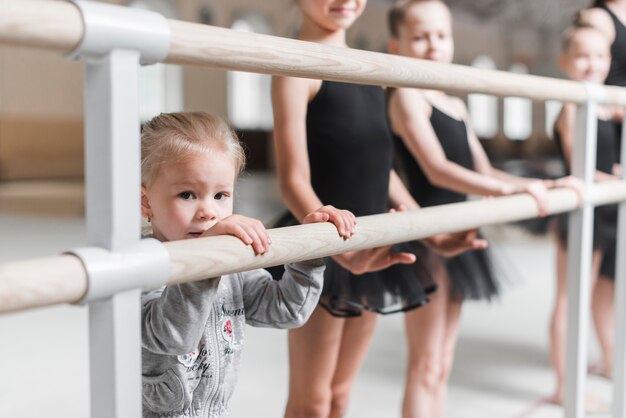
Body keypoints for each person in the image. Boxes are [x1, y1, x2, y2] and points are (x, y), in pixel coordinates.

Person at [271, 1, 487, 416]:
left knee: (340, 393)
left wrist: (429, 231)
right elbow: (292, 179)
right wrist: (336, 246)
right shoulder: (295, 65)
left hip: (368, 243)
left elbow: (381, 169)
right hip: (324, 244)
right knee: (312, 400)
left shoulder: (372, 67)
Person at [386, 1, 582, 417]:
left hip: (461, 228)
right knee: (424, 363)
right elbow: (438, 170)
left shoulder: (453, 104)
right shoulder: (405, 97)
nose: (433, 45)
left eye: (441, 35)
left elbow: (481, 167)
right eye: (420, 36)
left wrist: (536, 184)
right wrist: (498, 191)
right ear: (396, 44)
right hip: (428, 233)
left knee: (442, 363)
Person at [138, 111, 345, 417]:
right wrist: (207, 259)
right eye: (187, 194)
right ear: (146, 203)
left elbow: (287, 311)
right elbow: (174, 336)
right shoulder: (143, 264)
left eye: (221, 195)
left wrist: (308, 252)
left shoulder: (232, 261)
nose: (208, 211)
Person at [548, 23, 621, 407]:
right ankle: (564, 383)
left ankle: (611, 359)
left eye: (599, 56)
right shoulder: (572, 104)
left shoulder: (608, 102)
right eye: (582, 56)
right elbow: (581, 163)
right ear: (565, 61)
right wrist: (612, 177)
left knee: (605, 295)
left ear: (610, 59)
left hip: (608, 210)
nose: (591, 64)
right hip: (583, 210)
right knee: (570, 298)